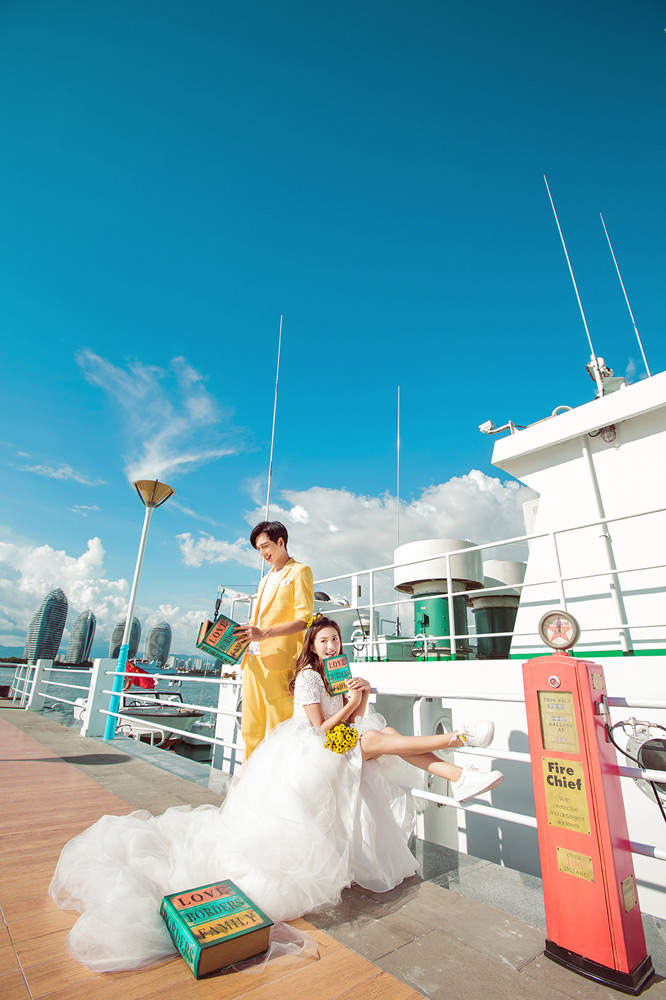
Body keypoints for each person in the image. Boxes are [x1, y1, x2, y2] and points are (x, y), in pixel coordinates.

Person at [49, 615, 504, 973]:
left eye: (336, 640)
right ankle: (457, 742)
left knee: (385, 735)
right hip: (315, 748)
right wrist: (351, 704)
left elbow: (351, 719)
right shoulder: (308, 677)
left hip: (340, 739)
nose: (332, 646)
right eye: (324, 641)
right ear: (312, 645)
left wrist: (361, 697)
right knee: (377, 739)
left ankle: (459, 774)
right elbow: (321, 728)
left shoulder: (340, 672)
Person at [236, 521, 314, 759]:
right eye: (258, 549)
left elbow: (304, 619)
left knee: (279, 727)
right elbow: (261, 617)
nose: (262, 553)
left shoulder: (300, 571)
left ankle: (278, 780)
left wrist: (265, 634)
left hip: (280, 660)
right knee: (250, 728)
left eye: (265, 546)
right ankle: (248, 777)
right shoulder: (265, 579)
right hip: (252, 659)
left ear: (281, 542)